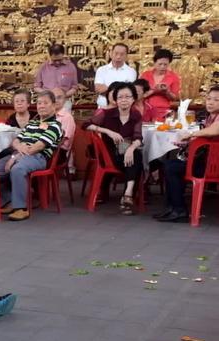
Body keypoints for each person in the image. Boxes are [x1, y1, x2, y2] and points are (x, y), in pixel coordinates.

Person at [153, 85, 219, 223]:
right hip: (206, 161)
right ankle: (171, 207)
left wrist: (192, 134)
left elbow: (214, 131)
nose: (211, 102)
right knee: (169, 165)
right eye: (209, 99)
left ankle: (179, 209)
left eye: (216, 100)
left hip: (213, 166)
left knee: (172, 168)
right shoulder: (210, 117)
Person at [0, 90, 63, 221]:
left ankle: (21, 208)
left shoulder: (55, 125)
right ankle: (10, 200)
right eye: (39, 103)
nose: (41, 106)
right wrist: (18, 148)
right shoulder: (32, 123)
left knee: (17, 169)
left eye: (45, 103)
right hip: (19, 153)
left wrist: (14, 158)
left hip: (38, 157)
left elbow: (37, 147)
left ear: (54, 105)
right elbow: (15, 141)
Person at [83, 82, 144, 215]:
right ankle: (128, 197)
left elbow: (138, 137)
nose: (124, 100)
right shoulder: (106, 114)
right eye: (120, 97)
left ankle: (128, 193)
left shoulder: (136, 115)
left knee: (135, 155)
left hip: (126, 148)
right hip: (108, 152)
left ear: (133, 99)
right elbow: (86, 125)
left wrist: (131, 148)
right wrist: (107, 131)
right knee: (136, 160)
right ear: (115, 100)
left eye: (128, 97)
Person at [139, 48, 180, 122]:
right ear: (154, 63)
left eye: (165, 64)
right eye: (160, 64)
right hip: (146, 110)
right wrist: (154, 90)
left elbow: (174, 98)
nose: (162, 67)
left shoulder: (173, 77)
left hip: (163, 111)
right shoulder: (145, 75)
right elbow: (139, 95)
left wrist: (167, 92)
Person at [34, 44, 79, 111]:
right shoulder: (43, 67)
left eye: (60, 60)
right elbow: (36, 87)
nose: (57, 62)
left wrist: (63, 95)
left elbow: (74, 87)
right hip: (47, 102)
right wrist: (49, 94)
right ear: (50, 56)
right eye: (54, 60)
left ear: (63, 54)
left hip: (64, 103)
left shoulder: (70, 67)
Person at [94, 43, 137, 108]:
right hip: (103, 107)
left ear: (126, 56)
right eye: (116, 53)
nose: (118, 56)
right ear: (111, 53)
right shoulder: (101, 70)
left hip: (123, 108)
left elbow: (128, 91)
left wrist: (107, 89)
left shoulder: (131, 71)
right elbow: (99, 89)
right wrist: (119, 90)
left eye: (122, 54)